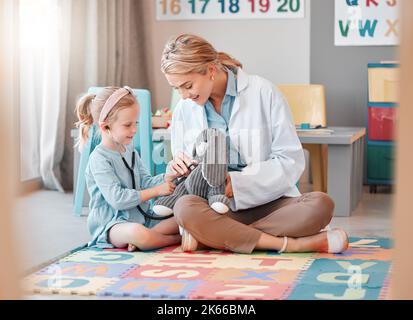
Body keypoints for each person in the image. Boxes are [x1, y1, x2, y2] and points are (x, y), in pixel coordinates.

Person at [161, 34, 349, 254]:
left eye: (187, 85)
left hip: (270, 202)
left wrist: (237, 183)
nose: (183, 96)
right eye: (177, 89)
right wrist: (177, 168)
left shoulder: (264, 92)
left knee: (320, 205)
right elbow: (186, 169)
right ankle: (292, 244)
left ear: (211, 70)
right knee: (185, 208)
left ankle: (215, 237)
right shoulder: (185, 109)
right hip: (217, 207)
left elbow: (290, 161)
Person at [75, 86, 181, 251]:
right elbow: (117, 199)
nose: (134, 130)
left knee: (181, 216)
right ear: (105, 127)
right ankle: (177, 239)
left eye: (136, 123)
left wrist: (167, 176)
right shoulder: (99, 159)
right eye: (127, 125)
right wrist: (157, 191)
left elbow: (146, 182)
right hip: (112, 225)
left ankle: (149, 240)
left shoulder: (129, 150)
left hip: (140, 218)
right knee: (138, 233)